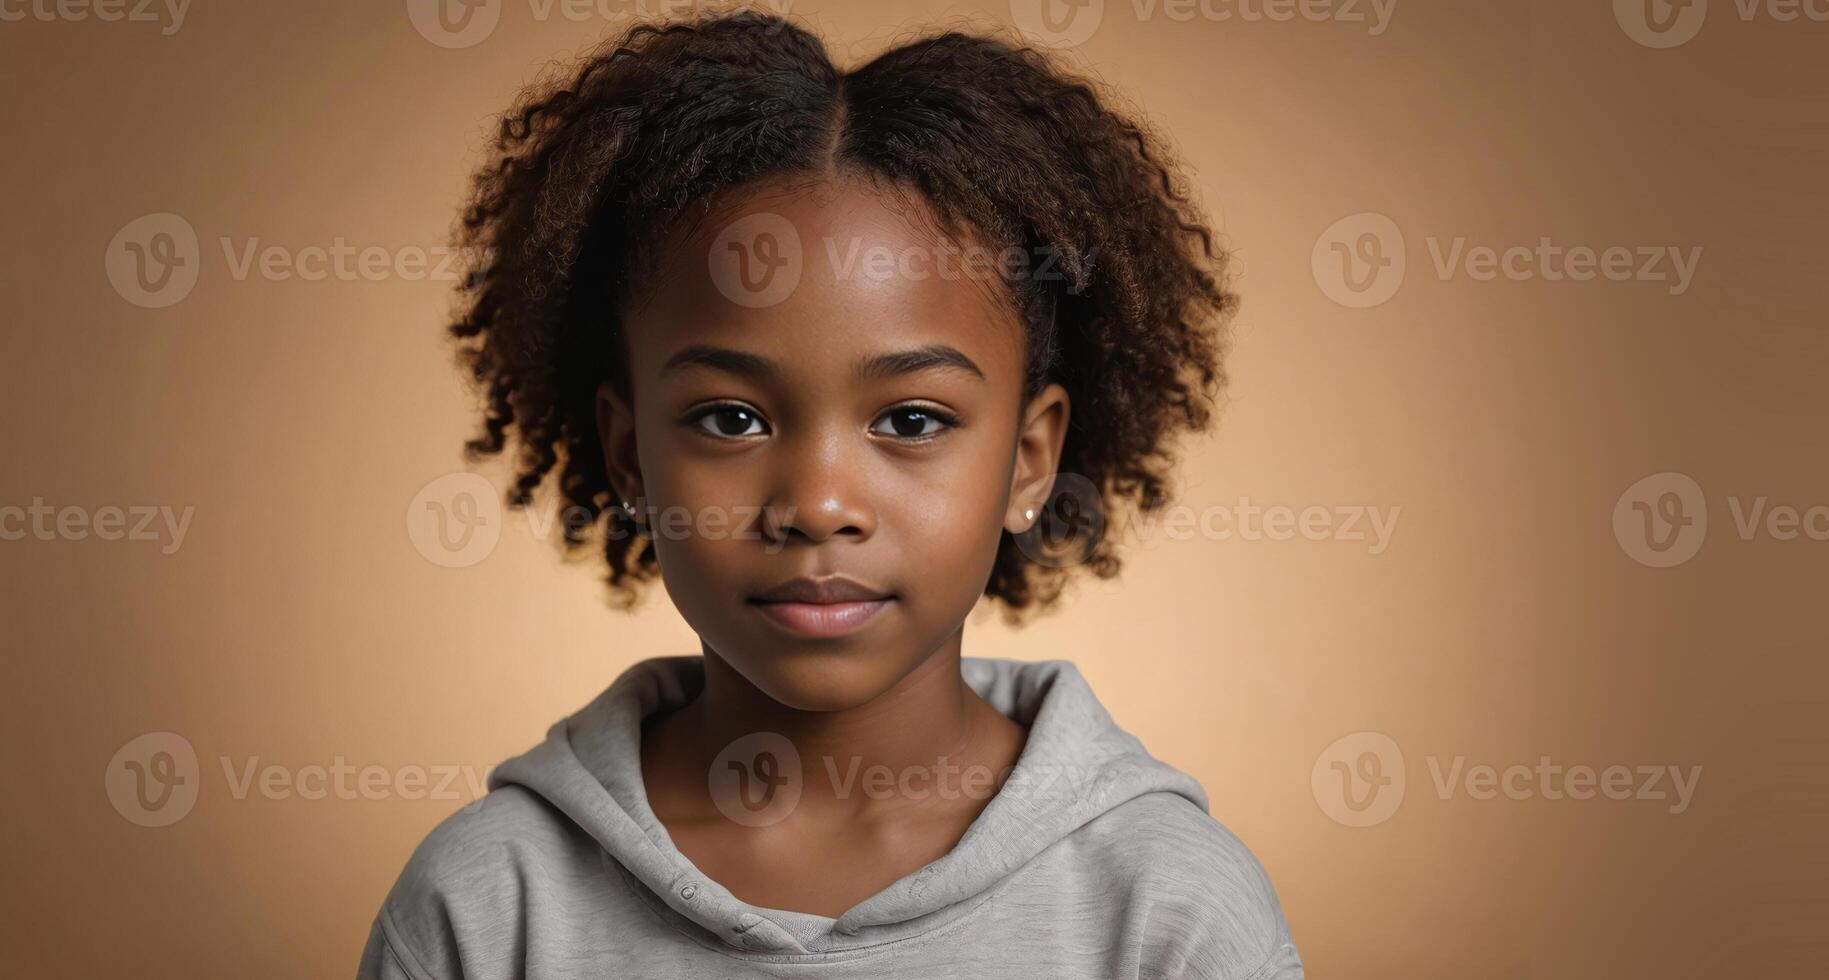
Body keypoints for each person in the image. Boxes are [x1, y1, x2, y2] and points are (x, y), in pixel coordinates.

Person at [360, 11, 1300, 978]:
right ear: (630, 454)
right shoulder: (485, 906)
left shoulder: (1167, 907)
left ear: (1028, 460)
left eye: (912, 421)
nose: (816, 504)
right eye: (731, 419)